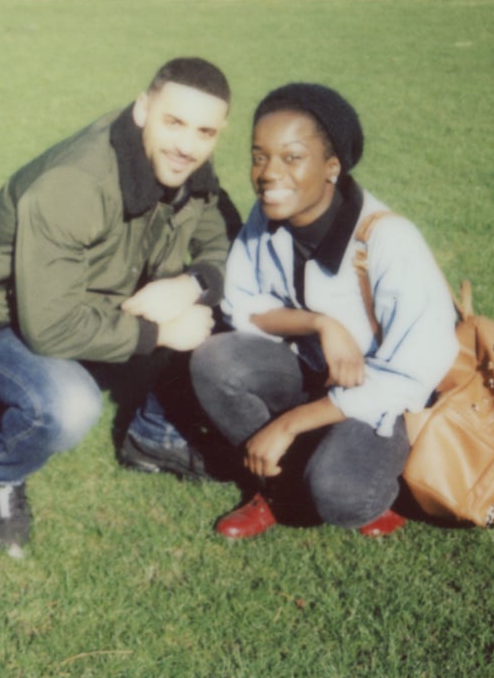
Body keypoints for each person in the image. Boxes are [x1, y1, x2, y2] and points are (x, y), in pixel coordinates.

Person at [0, 57, 240, 557]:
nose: (187, 145)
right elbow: (51, 329)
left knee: (228, 309)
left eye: (204, 131)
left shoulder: (185, 163)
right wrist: (160, 335)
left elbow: (228, 238)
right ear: (143, 109)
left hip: (88, 305)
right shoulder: (75, 184)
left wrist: (192, 283)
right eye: (174, 122)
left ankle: (151, 435)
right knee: (69, 406)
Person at [189, 82, 458, 539]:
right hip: (315, 373)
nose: (269, 173)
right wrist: (320, 323)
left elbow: (410, 375)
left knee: (342, 493)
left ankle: (365, 478)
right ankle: (278, 490)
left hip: (383, 399)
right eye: (259, 156)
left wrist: (289, 425)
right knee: (217, 361)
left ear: (332, 168)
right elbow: (242, 305)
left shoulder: (389, 240)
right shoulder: (268, 214)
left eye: (292, 157)